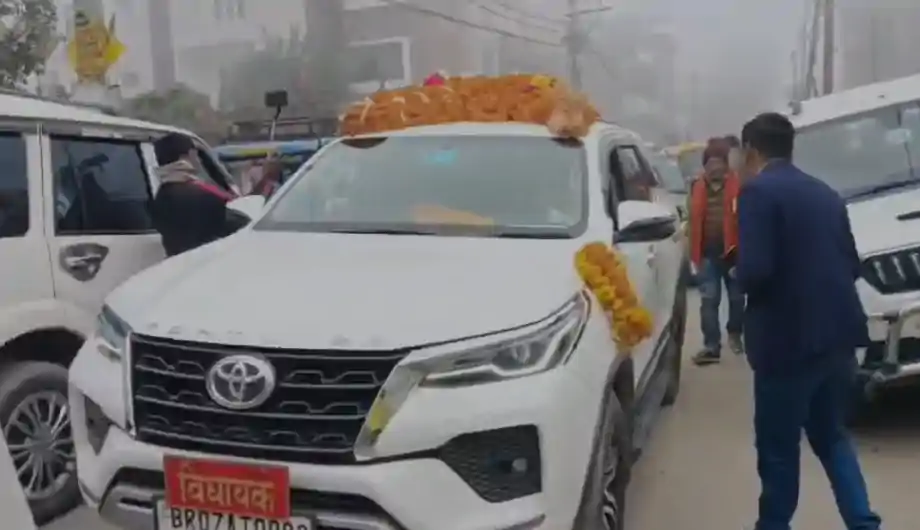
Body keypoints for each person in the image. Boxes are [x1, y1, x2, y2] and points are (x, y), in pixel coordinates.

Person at [736, 113, 880, 530]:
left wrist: (737, 272)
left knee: (778, 452)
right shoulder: (825, 192)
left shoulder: (757, 193)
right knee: (833, 438)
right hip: (837, 339)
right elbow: (851, 264)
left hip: (787, 345)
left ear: (751, 150)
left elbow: (757, 271)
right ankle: (864, 524)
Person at [689, 138, 745, 365]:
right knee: (709, 301)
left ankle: (735, 334)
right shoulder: (696, 187)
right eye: (709, 163)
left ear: (725, 164)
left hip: (733, 253)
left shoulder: (738, 185)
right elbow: (692, 221)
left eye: (718, 162)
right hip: (707, 254)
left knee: (737, 299)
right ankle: (711, 346)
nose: (714, 168)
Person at [151, 133, 251, 257]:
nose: (198, 160)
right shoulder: (204, 196)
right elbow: (241, 225)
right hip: (208, 263)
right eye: (196, 155)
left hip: (177, 264)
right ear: (187, 156)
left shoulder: (161, 197)